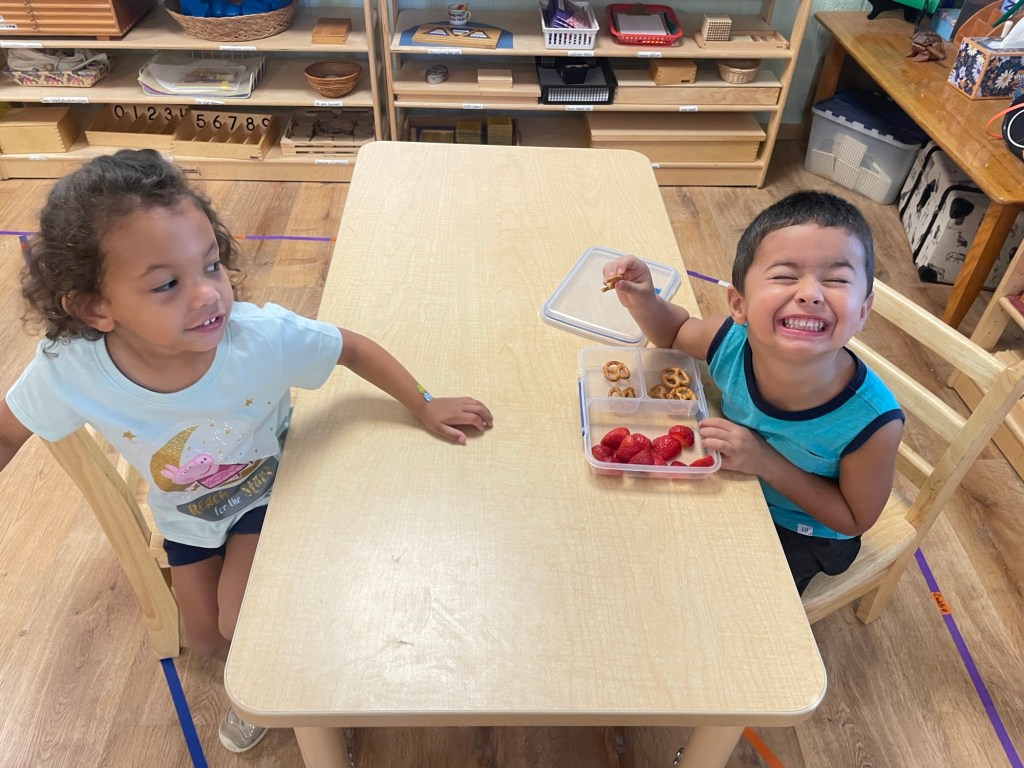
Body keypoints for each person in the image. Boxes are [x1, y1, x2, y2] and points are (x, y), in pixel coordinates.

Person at [0, 149, 493, 753]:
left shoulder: (260, 338)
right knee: (206, 640)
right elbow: (7, 432)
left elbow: (351, 348)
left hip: (269, 494)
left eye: (211, 265)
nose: (209, 294)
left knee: (242, 624)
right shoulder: (68, 367)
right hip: (188, 516)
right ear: (95, 307)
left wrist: (425, 402)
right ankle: (276, 674)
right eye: (168, 284)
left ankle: (304, 692)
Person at [604, 191, 904, 595]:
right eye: (785, 276)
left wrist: (763, 460)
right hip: (732, 483)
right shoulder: (731, 341)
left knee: (733, 596)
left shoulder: (873, 424)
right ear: (738, 304)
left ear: (863, 311)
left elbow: (853, 519)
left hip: (803, 531)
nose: (811, 293)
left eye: (836, 279)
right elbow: (674, 333)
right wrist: (643, 301)